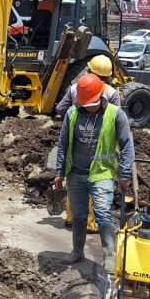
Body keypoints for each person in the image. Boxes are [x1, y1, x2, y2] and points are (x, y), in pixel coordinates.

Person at [53, 73, 135, 271]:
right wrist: (60, 171)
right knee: (79, 215)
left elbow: (127, 145)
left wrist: (124, 174)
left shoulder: (116, 114)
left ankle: (109, 255)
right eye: (84, 103)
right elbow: (63, 144)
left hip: (102, 173)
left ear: (101, 96)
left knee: (103, 214)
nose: (86, 106)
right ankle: (77, 251)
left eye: (90, 103)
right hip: (76, 174)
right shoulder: (72, 113)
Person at [54, 54, 121, 119]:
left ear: (89, 71)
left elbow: (60, 109)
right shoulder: (111, 92)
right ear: (108, 76)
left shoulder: (74, 88)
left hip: (77, 128)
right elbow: (118, 116)